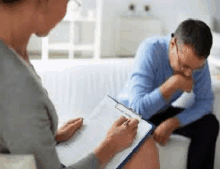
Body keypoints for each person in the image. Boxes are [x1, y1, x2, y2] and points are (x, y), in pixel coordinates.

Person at [0, 0, 160, 169]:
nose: (64, 12)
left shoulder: (13, 53)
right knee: (143, 146)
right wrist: (110, 146)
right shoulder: (16, 82)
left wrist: (49, 137)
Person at [117, 18, 220, 169]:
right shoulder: (150, 49)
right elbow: (137, 109)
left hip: (160, 112)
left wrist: (174, 122)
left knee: (209, 124)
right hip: (129, 114)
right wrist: (172, 84)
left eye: (194, 68)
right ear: (173, 44)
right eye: (184, 65)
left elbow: (205, 102)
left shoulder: (197, 63)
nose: (188, 73)